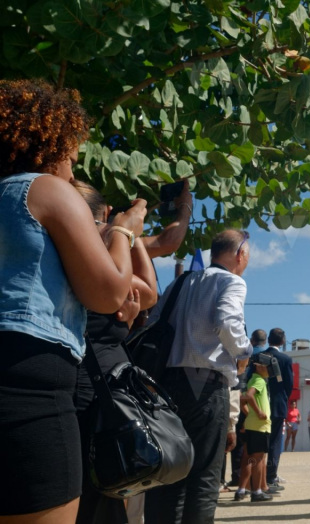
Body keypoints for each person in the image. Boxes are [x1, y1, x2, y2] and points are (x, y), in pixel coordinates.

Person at [0, 79, 146, 522]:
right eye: (72, 153)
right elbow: (109, 293)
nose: (74, 167)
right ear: (50, 142)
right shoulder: (43, 189)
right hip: (27, 389)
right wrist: (123, 230)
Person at [144, 229, 253, 524]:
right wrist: (244, 353)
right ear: (240, 254)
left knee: (168, 473)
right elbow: (226, 321)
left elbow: (152, 323)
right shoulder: (231, 281)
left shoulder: (179, 282)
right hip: (205, 388)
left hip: (165, 387)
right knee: (203, 478)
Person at [72, 181, 159, 524]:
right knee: (102, 501)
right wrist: (125, 231)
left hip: (87, 395)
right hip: (95, 403)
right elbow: (149, 291)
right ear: (104, 214)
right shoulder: (93, 254)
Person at [235, 352, 275, 503]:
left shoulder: (253, 379)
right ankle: (257, 492)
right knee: (258, 459)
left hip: (252, 424)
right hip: (260, 427)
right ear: (258, 366)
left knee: (248, 457)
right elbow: (249, 396)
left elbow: (242, 399)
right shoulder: (259, 381)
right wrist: (259, 413)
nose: (269, 369)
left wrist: (250, 415)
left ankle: (241, 490)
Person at [262, 328, 294, 491]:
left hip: (260, 404)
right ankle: (271, 476)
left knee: (258, 441)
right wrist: (283, 398)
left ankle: (257, 476)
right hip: (277, 404)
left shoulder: (258, 357)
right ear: (283, 341)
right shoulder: (285, 359)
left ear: (269, 339)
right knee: (275, 441)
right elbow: (289, 384)